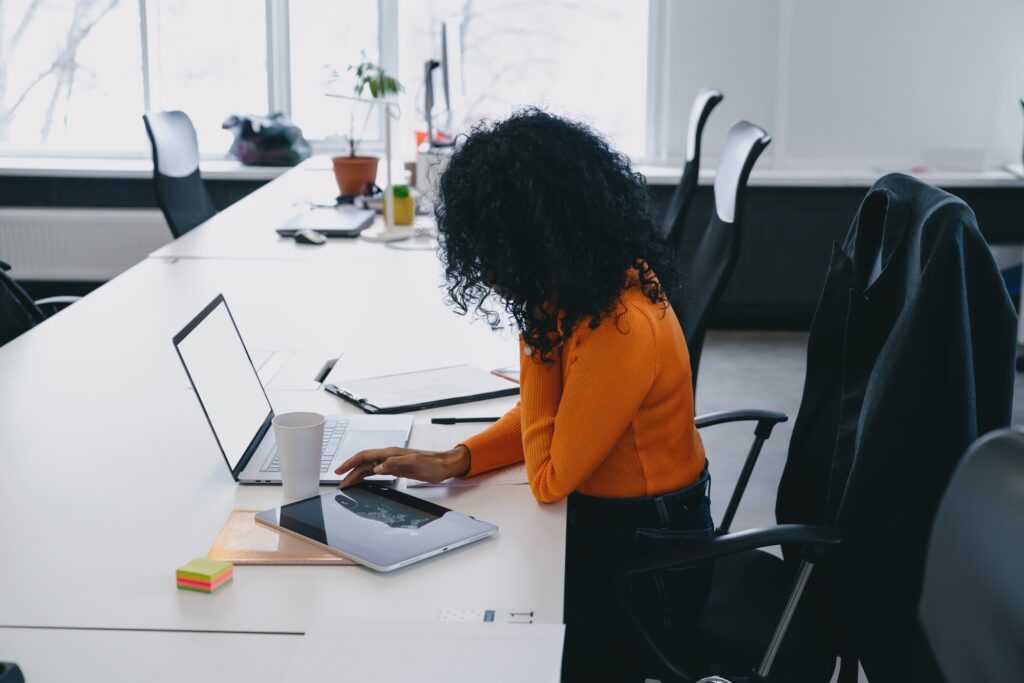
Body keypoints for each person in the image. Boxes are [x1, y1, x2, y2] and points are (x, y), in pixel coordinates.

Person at [336, 109, 710, 681]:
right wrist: (456, 459)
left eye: (498, 252)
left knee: (474, 624)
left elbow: (551, 475)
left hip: (646, 565)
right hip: (614, 528)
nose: (488, 272)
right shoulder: (596, 286)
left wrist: (534, 339)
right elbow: (559, 418)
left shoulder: (619, 325)